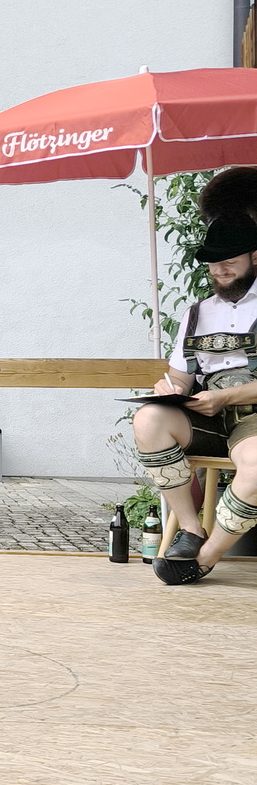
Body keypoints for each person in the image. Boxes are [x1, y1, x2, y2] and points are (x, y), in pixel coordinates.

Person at [137, 184, 257, 584]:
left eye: (229, 262)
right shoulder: (196, 314)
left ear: (255, 257)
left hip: (251, 420)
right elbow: (181, 376)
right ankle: (190, 529)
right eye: (212, 263)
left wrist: (226, 396)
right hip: (207, 416)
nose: (219, 270)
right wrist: (169, 389)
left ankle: (205, 557)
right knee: (149, 419)